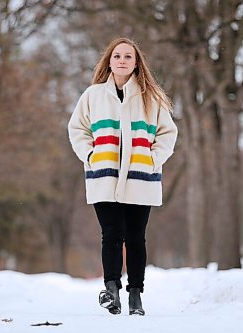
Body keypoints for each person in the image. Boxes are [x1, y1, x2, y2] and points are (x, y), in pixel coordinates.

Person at [68, 37, 178, 316]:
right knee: (111, 235)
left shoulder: (151, 97)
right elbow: (77, 129)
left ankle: (135, 294)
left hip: (141, 177)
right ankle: (112, 288)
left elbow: (168, 133)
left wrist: (154, 159)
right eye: (117, 56)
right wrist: (90, 156)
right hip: (104, 176)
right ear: (109, 61)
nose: (122, 60)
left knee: (136, 237)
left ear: (136, 63)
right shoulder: (92, 95)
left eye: (128, 56)